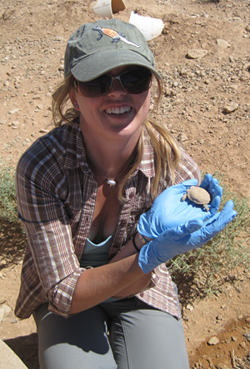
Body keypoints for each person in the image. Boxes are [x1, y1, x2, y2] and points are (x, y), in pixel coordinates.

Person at [14, 18, 236, 369]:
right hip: (67, 299)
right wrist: (146, 250)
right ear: (73, 93)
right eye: (97, 82)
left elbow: (140, 280)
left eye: (134, 78)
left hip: (139, 289)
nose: (117, 92)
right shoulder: (43, 166)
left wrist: (147, 247)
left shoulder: (176, 171)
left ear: (151, 87)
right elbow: (63, 293)